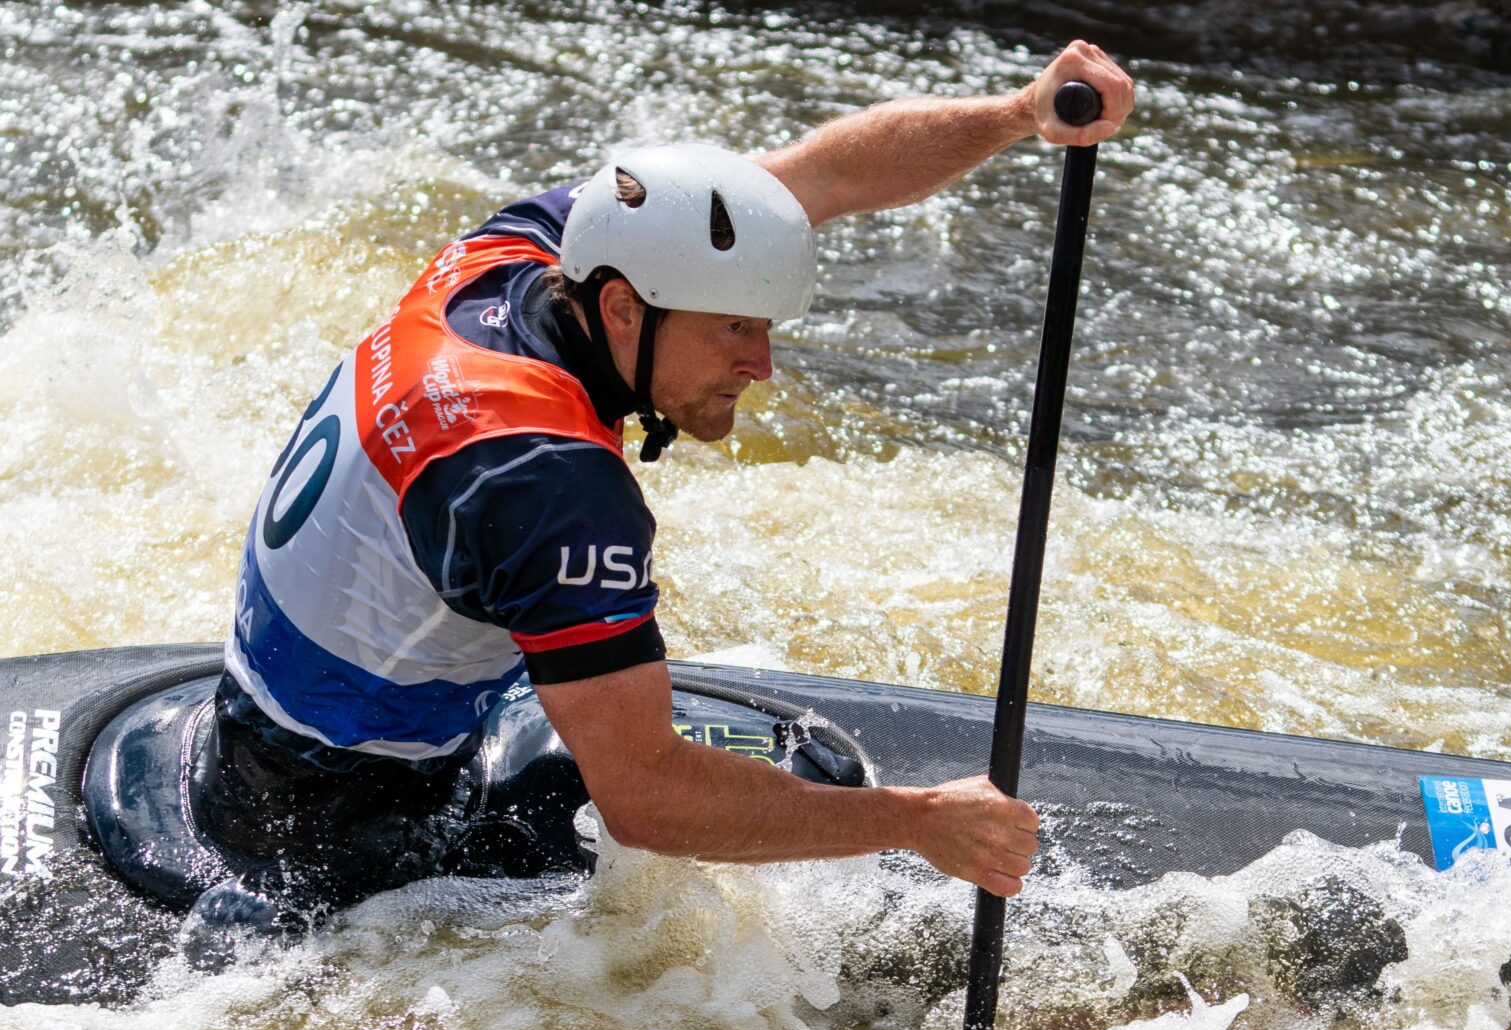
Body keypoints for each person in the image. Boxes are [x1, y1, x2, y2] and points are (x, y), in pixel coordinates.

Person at [192, 42, 1137, 934]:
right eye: (734, 328)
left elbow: (820, 179)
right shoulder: (543, 478)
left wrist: (1019, 113)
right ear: (621, 307)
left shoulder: (517, 253)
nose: (761, 364)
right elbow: (646, 800)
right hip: (339, 832)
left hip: (263, 727)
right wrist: (920, 823)